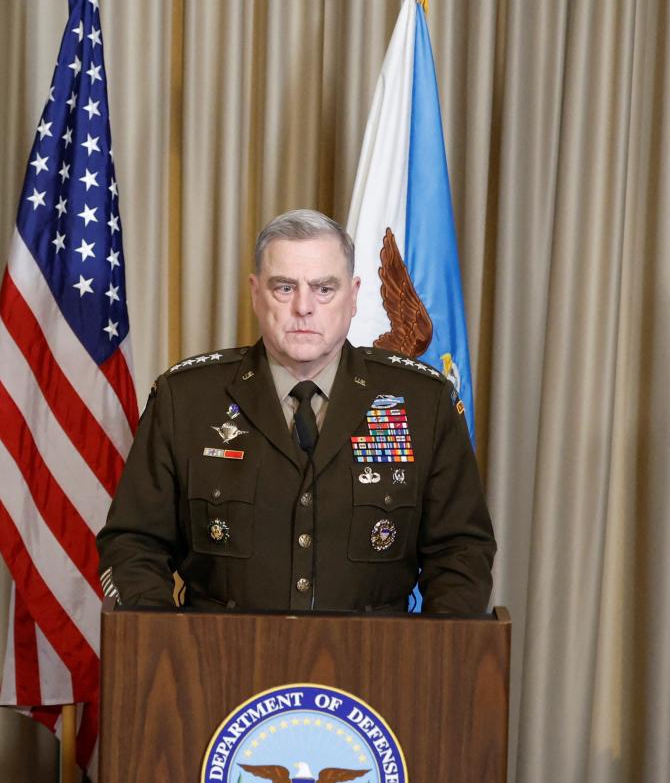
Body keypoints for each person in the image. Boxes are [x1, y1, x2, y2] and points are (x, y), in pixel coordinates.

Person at [97, 209, 494, 614]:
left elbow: (461, 553)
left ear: (354, 296)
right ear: (255, 293)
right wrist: (163, 649)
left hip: (375, 666)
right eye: (284, 288)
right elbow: (132, 543)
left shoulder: (423, 404)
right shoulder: (186, 400)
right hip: (218, 664)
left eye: (324, 289)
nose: (304, 307)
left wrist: (434, 663)